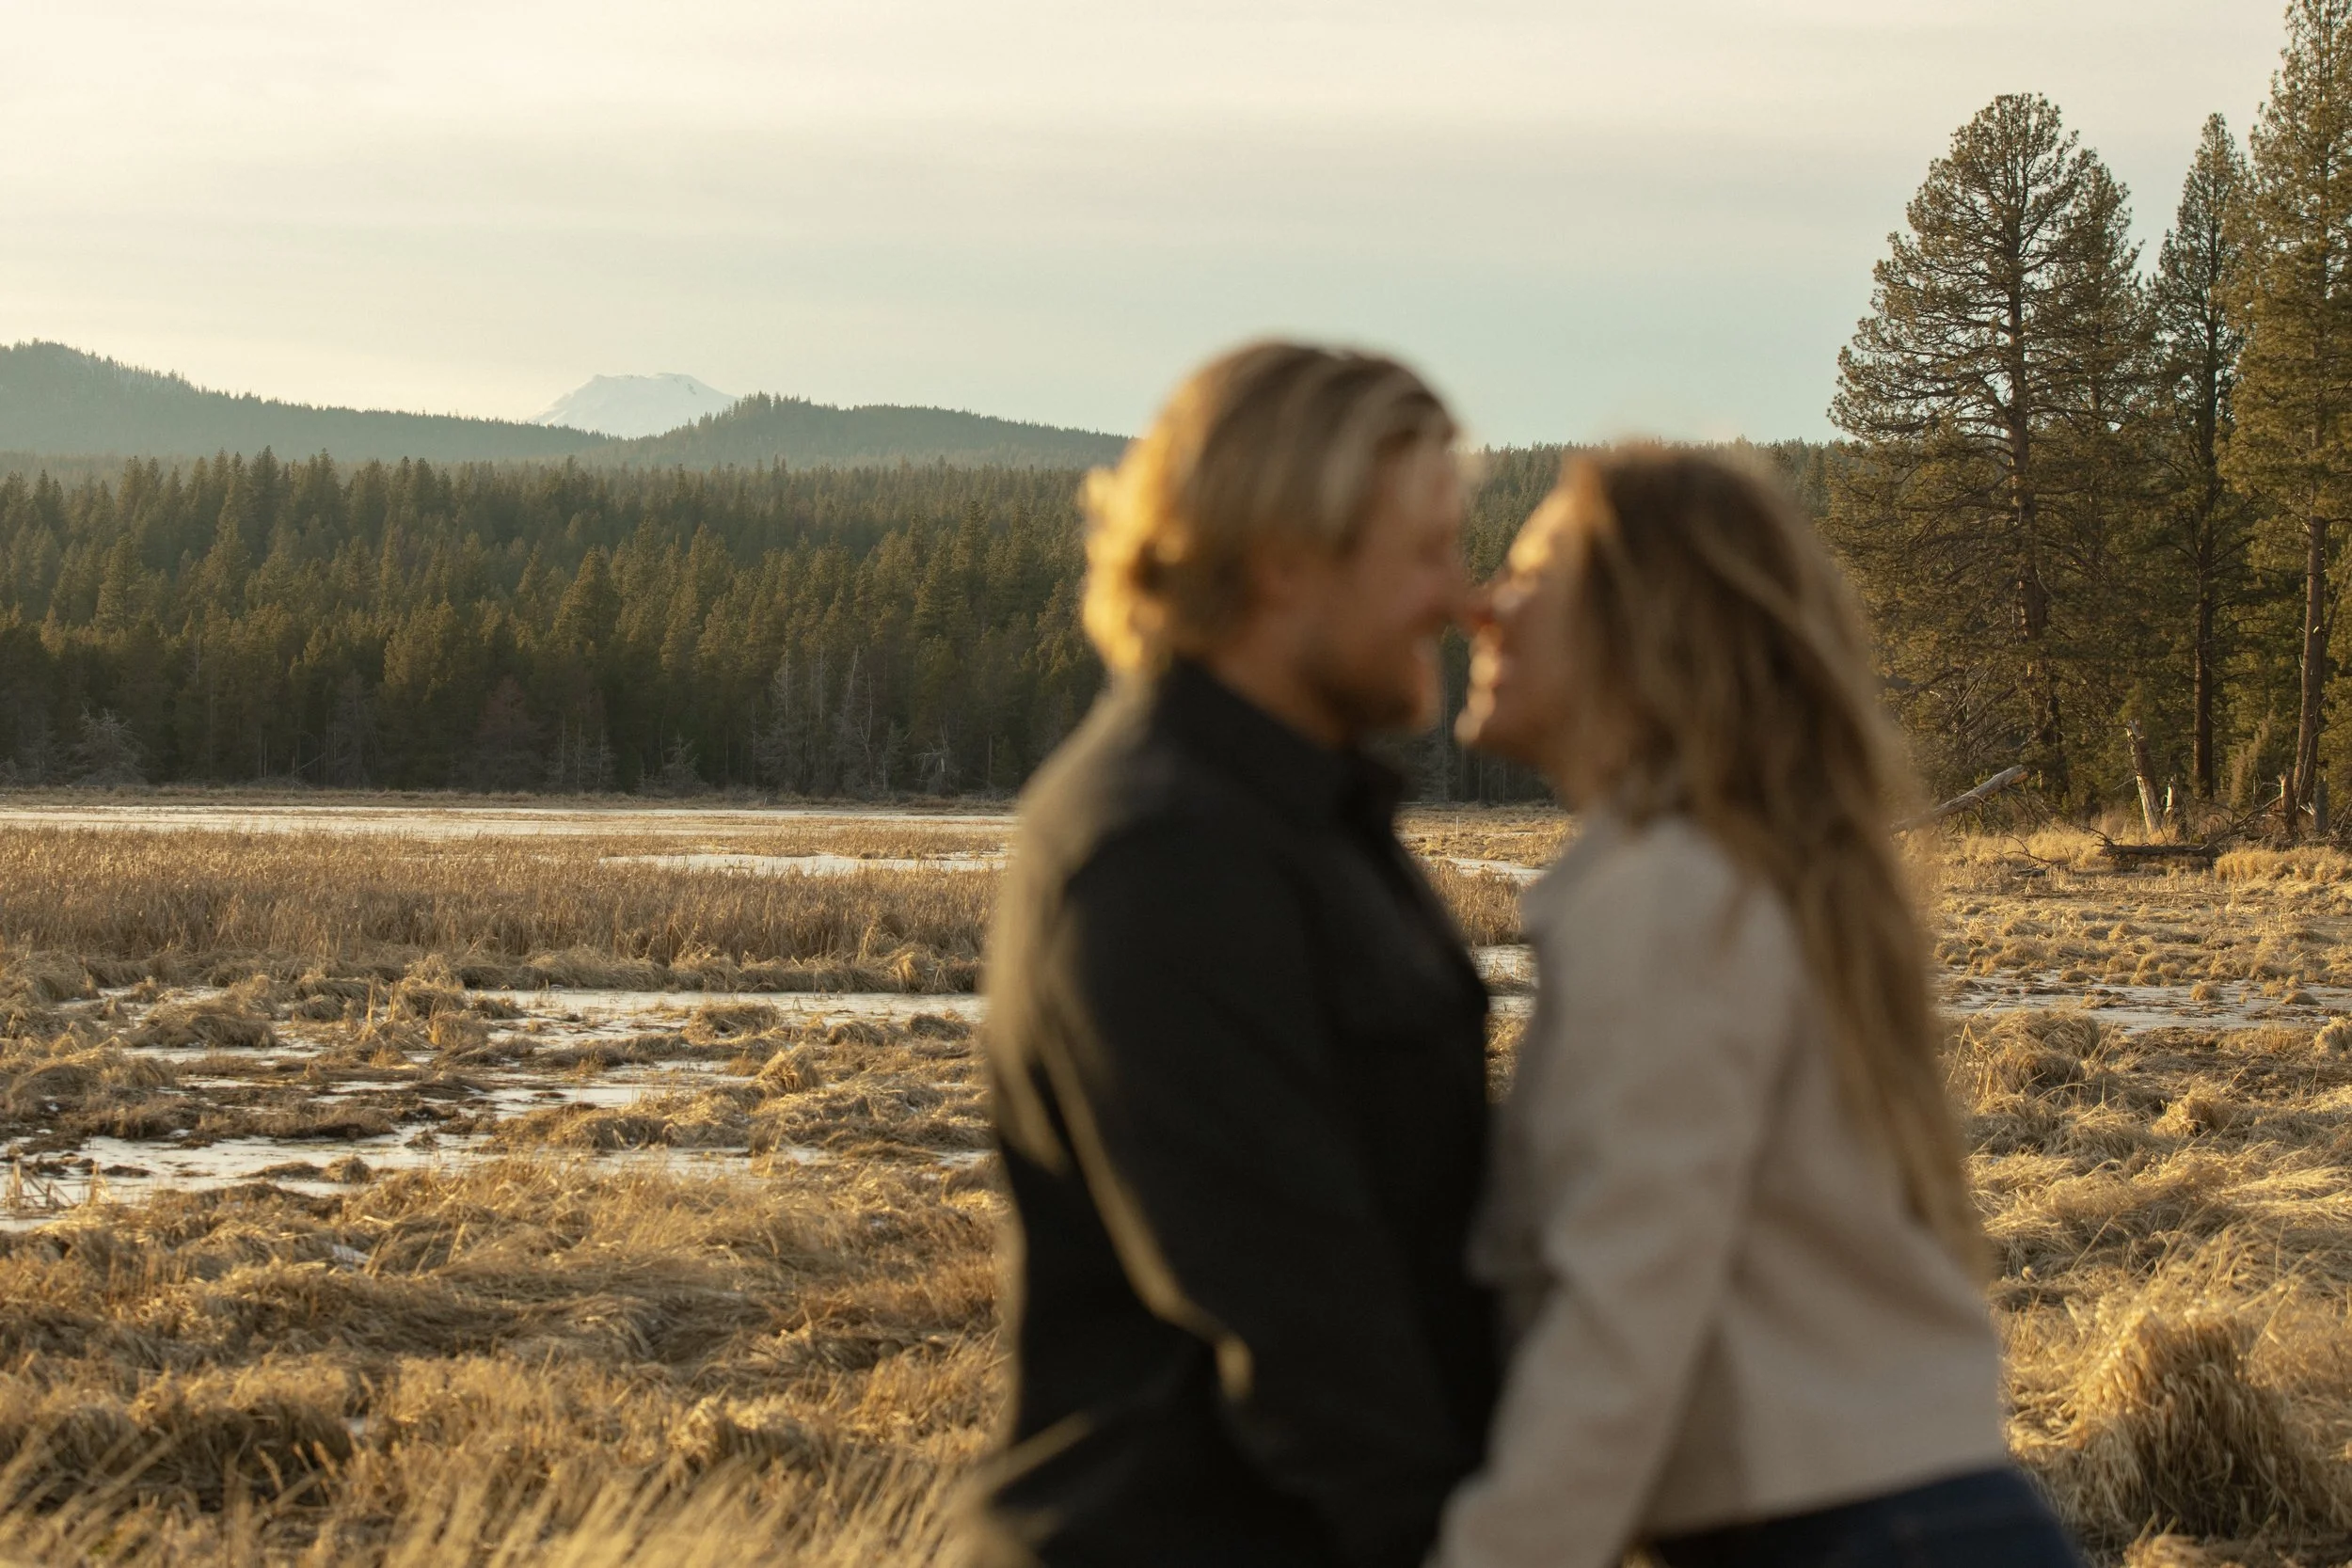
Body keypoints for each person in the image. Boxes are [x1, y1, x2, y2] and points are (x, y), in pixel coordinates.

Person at [1433, 448, 2081, 1568]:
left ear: (1643, 635)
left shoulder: (1673, 898)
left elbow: (1626, 1306)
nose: (1482, 606)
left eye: (1532, 574)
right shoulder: (1722, 878)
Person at [966, 341, 1499, 1568]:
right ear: (1283, 561)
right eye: (1424, 552)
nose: (1459, 598)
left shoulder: (1305, 819)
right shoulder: (1162, 852)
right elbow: (1299, 1320)